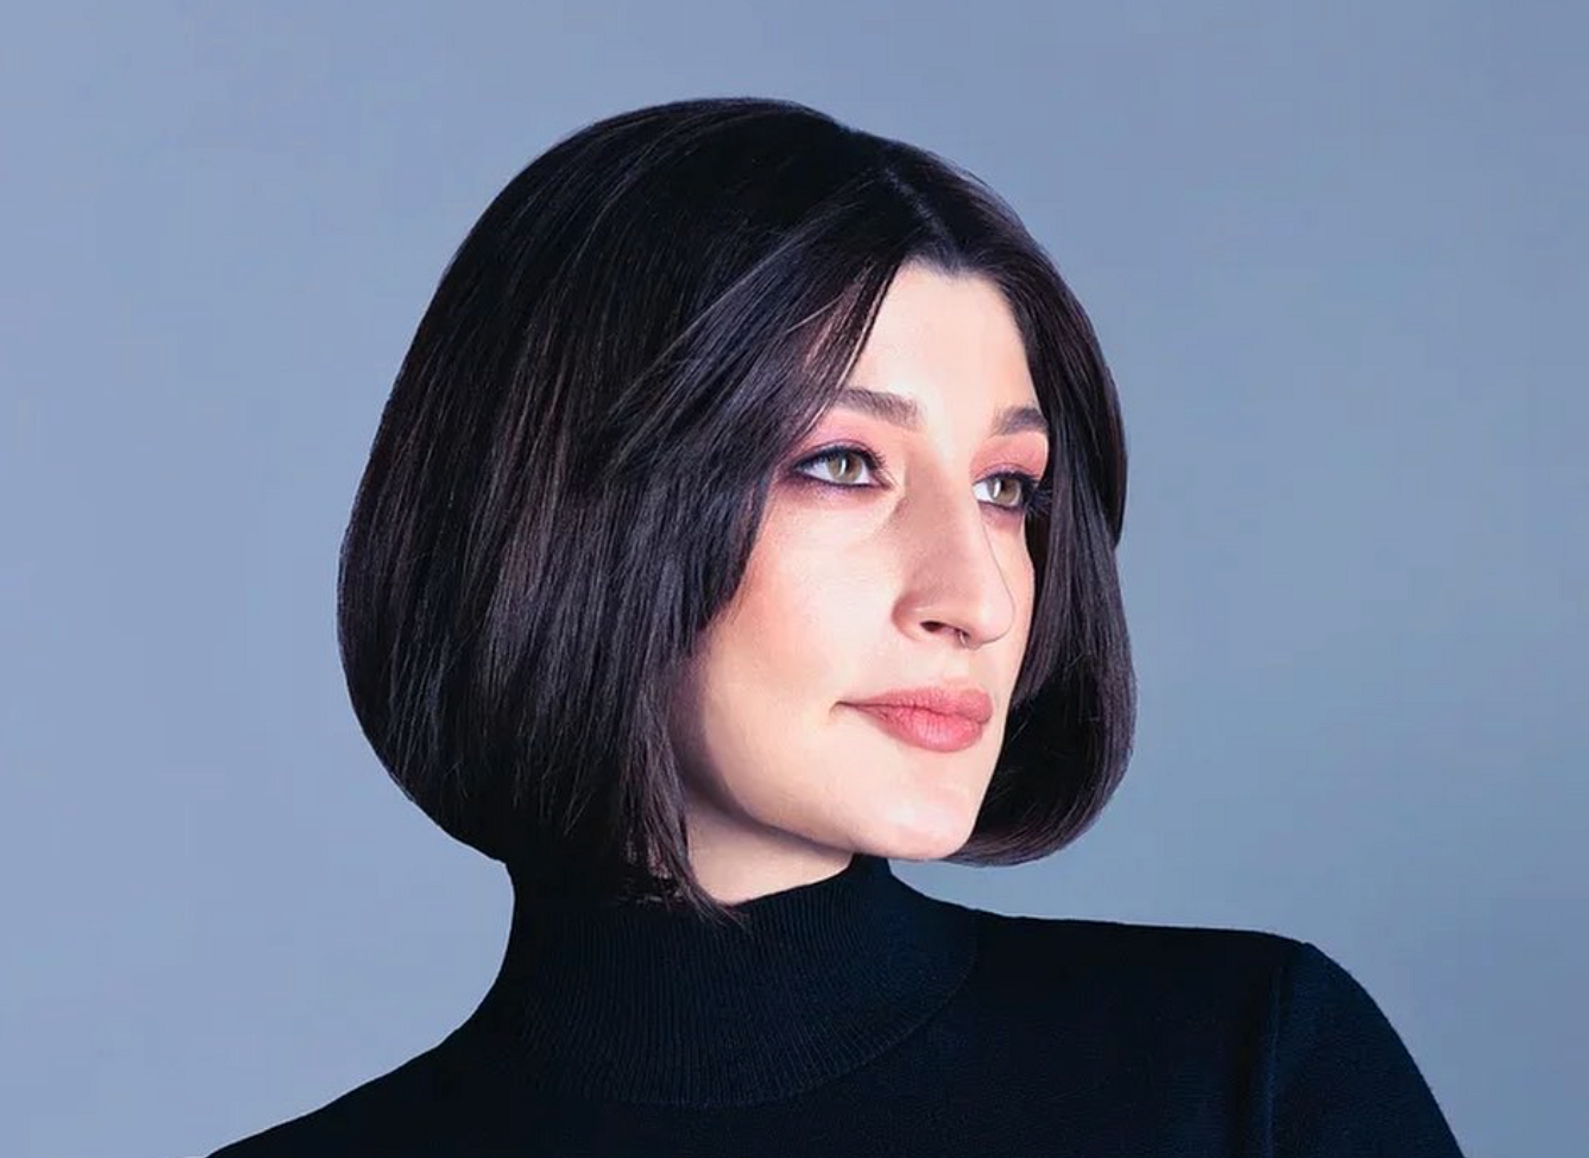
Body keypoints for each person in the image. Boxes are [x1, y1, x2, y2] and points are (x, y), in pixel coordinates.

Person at [203, 95, 1465, 1156]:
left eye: (1005, 488)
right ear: (571, 508)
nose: (975, 599)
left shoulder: (1243, 1075)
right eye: (843, 465)